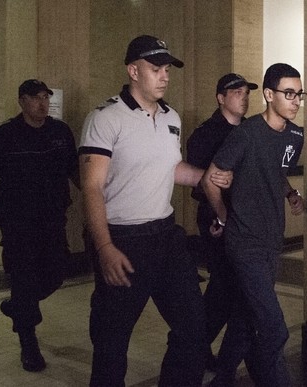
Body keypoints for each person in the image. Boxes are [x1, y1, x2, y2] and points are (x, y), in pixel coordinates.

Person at [79, 34, 232, 387]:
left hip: (165, 237)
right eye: (155, 68)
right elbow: (91, 187)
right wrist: (104, 248)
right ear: (133, 70)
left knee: (194, 329)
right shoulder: (105, 118)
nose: (164, 75)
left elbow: (171, 168)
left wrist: (208, 177)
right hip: (122, 238)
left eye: (167, 69)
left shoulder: (170, 117)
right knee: (111, 342)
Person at [0, 79, 79, 372]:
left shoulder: (60, 132)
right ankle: (29, 345)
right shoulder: (3, 135)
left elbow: (76, 173)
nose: (42, 103)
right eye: (35, 98)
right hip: (19, 225)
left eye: (45, 97)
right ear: (21, 101)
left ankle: (18, 305)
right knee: (25, 279)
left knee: (56, 273)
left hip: (53, 220)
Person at [202, 63, 305, 386]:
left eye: (299, 94)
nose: (296, 100)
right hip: (244, 242)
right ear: (269, 94)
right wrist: (222, 215)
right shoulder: (245, 134)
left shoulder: (295, 134)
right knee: (274, 326)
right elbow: (210, 180)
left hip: (272, 239)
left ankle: (223, 377)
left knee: (245, 318)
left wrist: (290, 192)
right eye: (289, 93)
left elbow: (276, 170)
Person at [186, 73, 258, 371]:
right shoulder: (205, 134)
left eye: (246, 92)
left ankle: (199, 344)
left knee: (236, 288)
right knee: (225, 286)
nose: (244, 96)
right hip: (217, 218)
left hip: (246, 219)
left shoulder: (253, 130)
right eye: (237, 92)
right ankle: (193, 343)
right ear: (221, 97)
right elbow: (202, 182)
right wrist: (219, 214)